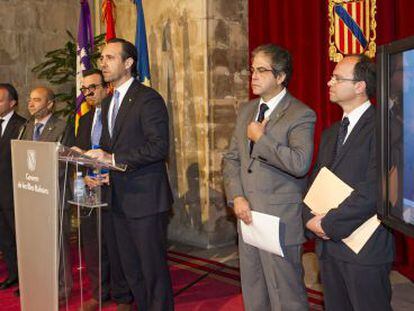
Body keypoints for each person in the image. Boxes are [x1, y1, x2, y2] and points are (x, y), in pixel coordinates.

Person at [223, 43, 316, 311]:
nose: (253, 76)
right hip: (246, 214)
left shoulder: (300, 114)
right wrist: (237, 196)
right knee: (254, 288)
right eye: (253, 70)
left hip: (279, 220)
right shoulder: (246, 111)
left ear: (281, 76)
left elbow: (300, 163)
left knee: (286, 293)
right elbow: (231, 159)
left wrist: (261, 139)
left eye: (262, 70)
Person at [86, 38, 174, 311]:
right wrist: (103, 171)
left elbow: (158, 147)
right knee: (131, 269)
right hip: (117, 199)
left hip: (145, 201)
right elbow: (114, 147)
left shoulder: (148, 98)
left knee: (152, 272)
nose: (103, 63)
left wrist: (111, 159)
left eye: (110, 58)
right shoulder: (109, 100)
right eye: (102, 58)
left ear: (128, 63)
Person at [303, 55, 394, 311]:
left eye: (337, 77)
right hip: (329, 247)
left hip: (364, 249)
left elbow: (377, 189)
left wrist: (328, 223)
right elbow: (314, 183)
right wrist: (308, 218)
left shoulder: (384, 126)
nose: (329, 81)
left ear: (360, 86)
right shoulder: (331, 132)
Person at [74, 69, 133, 311]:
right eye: (84, 89)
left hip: (115, 188)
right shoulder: (84, 119)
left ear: (106, 87)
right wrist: (83, 178)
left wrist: (110, 172)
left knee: (117, 245)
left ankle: (122, 296)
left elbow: (125, 151)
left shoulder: (117, 114)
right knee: (93, 244)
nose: (88, 93)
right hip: (90, 190)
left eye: (93, 87)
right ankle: (99, 293)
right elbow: (76, 153)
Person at [20, 86, 73, 299]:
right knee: (36, 245)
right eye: (30, 100)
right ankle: (40, 282)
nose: (31, 104)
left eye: (37, 100)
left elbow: (66, 160)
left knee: (58, 246)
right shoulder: (25, 127)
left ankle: (62, 288)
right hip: (31, 196)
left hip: (54, 195)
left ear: (50, 104)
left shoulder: (62, 126)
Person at [0, 83, 26, 291]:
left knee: (20, 238)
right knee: (5, 239)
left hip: (13, 192)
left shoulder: (22, 126)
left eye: (0, 100)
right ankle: (14, 274)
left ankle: (27, 278)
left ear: (12, 103)